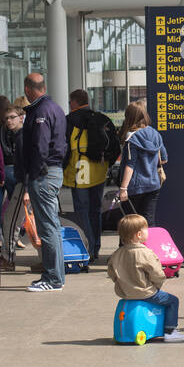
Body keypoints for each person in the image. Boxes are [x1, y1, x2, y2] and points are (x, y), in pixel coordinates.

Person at [21, 73, 68, 292]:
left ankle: (53, 278)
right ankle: (55, 276)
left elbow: (40, 145)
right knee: (52, 227)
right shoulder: (55, 108)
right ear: (44, 86)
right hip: (54, 170)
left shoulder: (39, 111)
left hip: (44, 173)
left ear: (28, 89)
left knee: (48, 227)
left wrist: (34, 173)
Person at [107, 214, 184, 342]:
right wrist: (157, 285)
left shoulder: (117, 254)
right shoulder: (146, 253)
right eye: (146, 229)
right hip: (146, 293)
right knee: (173, 301)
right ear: (139, 235)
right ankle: (170, 331)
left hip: (125, 293)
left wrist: (121, 283)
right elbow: (157, 274)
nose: (148, 232)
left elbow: (111, 273)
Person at [64, 88, 119, 263]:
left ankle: (86, 247)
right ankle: (96, 248)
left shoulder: (70, 120)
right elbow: (115, 146)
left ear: (74, 102)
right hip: (99, 169)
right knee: (95, 210)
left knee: (82, 211)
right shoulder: (101, 118)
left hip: (80, 169)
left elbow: (63, 147)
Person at [117, 102, 167, 226]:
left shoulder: (131, 139)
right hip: (153, 185)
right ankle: (149, 245)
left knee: (130, 224)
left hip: (134, 188)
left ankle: (128, 246)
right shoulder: (155, 134)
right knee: (149, 222)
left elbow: (130, 165)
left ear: (129, 117)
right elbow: (164, 159)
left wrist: (123, 189)